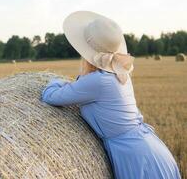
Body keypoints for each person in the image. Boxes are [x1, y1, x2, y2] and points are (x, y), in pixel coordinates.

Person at [40, 11, 181, 179]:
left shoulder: (97, 81)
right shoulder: (120, 73)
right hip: (149, 146)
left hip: (135, 156)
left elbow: (50, 96)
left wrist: (51, 80)